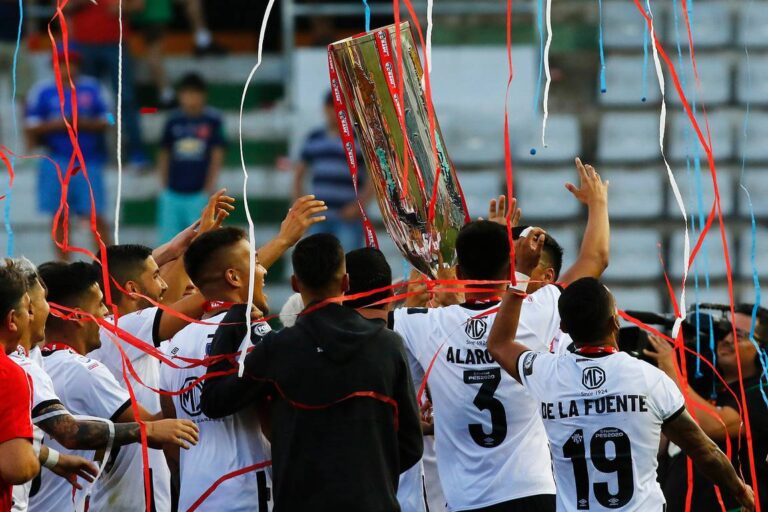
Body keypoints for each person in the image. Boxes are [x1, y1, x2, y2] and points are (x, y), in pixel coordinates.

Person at [389, 158, 609, 512]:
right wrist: (598, 203)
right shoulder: (542, 307)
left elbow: (366, 316)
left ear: (459, 271)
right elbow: (595, 259)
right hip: (532, 491)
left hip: (465, 500)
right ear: (511, 267)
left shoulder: (421, 324)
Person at [486, 270, 755, 511]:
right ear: (615, 322)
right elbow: (704, 451)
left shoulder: (545, 373)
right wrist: (740, 491)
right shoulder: (649, 378)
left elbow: (498, 344)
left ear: (564, 328)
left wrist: (519, 277)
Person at [202, 233, 423, 511]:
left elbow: (214, 401)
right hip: (371, 501)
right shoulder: (388, 345)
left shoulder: (278, 348)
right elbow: (412, 444)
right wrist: (370, 477)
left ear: (295, 284)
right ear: (346, 283)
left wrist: (233, 320)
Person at [7, 258, 197, 512]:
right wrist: (150, 427)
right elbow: (70, 432)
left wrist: (53, 459)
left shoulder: (37, 361)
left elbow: (15, 440)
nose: (107, 313)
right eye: (34, 303)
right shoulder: (54, 369)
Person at [160, 227, 273, 511]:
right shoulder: (251, 330)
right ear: (233, 277)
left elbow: (170, 431)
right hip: (245, 489)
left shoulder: (174, 342)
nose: (263, 271)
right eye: (255, 261)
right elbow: (274, 416)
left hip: (195, 492)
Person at [345, 247, 444, 512]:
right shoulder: (395, 341)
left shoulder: (310, 343)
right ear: (391, 295)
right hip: (402, 490)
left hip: (343, 490)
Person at [646, 306, 768, 511]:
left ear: (763, 348)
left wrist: (671, 369)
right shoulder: (705, 387)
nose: (727, 339)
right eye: (724, 332)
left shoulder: (762, 394)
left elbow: (713, 425)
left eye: (738, 335)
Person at [24, 44, 112, 259]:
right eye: (61, 64)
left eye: (70, 63)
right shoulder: (42, 90)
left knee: (95, 215)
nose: (66, 68)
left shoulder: (93, 88)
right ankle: (64, 267)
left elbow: (110, 119)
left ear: (78, 65)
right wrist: (59, 125)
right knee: (59, 216)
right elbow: (31, 124)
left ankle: (108, 264)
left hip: (88, 160)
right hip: (56, 159)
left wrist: (82, 123)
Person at [68, 0, 148, 169]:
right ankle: (93, 153)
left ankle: (136, 152)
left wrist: (123, 7)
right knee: (88, 103)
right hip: (84, 44)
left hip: (115, 43)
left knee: (125, 98)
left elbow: (139, 6)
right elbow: (62, 7)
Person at [294, 91, 373, 251]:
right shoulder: (314, 138)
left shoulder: (358, 139)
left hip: (348, 217)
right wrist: (301, 208)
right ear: (325, 109)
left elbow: (373, 179)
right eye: (331, 108)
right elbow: (299, 175)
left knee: (347, 264)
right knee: (317, 264)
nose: (334, 113)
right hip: (319, 216)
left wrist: (359, 206)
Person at [157, 73, 226, 243]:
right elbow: (164, 153)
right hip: (173, 192)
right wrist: (164, 185)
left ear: (203, 95)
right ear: (180, 95)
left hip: (198, 193)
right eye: (186, 94)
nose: (190, 98)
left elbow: (217, 154)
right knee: (169, 243)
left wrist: (208, 188)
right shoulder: (173, 121)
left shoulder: (213, 120)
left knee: (200, 242)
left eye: (194, 93)